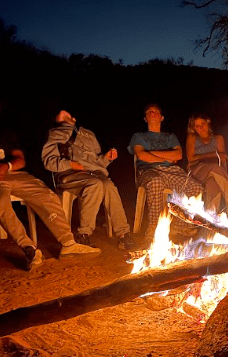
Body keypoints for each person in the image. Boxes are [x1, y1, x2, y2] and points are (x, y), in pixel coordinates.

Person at [0, 125, 101, 270]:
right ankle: (29, 249)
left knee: (47, 196)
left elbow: (20, 160)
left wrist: (7, 166)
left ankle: (68, 244)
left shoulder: (5, 132)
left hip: (14, 174)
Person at [42, 111, 135, 250]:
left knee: (108, 185)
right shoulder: (54, 133)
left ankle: (123, 234)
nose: (63, 114)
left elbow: (97, 162)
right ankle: (83, 234)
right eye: (59, 115)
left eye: (67, 114)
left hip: (93, 173)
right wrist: (70, 164)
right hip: (69, 175)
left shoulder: (88, 134)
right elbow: (48, 161)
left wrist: (107, 158)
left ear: (74, 118)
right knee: (95, 184)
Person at [128, 104, 204, 243]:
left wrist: (151, 153)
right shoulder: (138, 136)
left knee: (196, 187)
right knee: (156, 181)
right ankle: (154, 229)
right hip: (148, 171)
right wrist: (166, 157)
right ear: (145, 118)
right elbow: (141, 155)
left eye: (155, 111)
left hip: (171, 171)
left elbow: (179, 155)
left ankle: (180, 226)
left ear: (161, 117)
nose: (152, 113)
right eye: (149, 112)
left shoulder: (170, 137)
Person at [185, 113, 228, 215]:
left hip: (215, 172)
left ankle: (212, 217)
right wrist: (213, 154)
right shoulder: (192, 138)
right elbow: (191, 158)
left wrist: (222, 178)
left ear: (208, 122)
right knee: (215, 168)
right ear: (194, 128)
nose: (201, 127)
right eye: (197, 126)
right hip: (197, 170)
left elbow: (222, 161)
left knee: (212, 183)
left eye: (203, 124)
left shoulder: (218, 139)